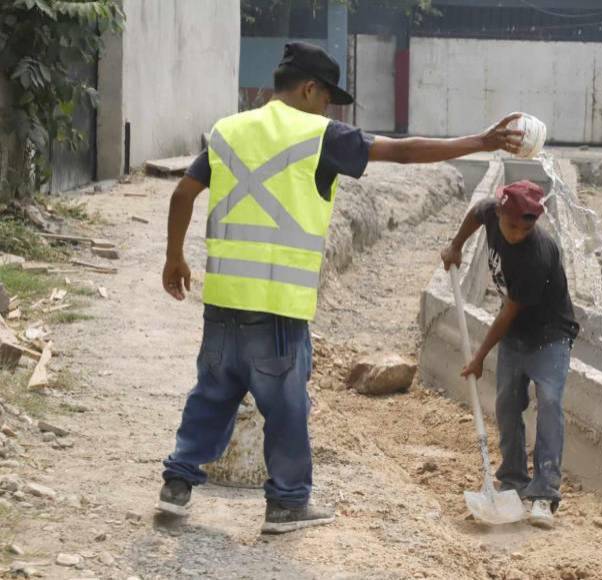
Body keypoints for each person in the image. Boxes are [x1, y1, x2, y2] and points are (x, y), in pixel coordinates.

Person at [157, 41, 524, 533]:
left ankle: (177, 486)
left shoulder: (228, 129)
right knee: (286, 407)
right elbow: (406, 152)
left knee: (212, 392)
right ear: (309, 89)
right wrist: (480, 142)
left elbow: (183, 192)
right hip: (279, 306)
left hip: (222, 300)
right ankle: (287, 504)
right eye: (327, 97)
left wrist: (173, 257)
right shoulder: (319, 135)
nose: (329, 108)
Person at [441, 180, 579, 528]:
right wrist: (455, 246)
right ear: (500, 213)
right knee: (506, 404)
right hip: (517, 335)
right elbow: (476, 213)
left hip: (550, 336)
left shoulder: (538, 254)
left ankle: (545, 495)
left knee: (548, 402)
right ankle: (513, 481)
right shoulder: (491, 211)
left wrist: (479, 357)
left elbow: (508, 312)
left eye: (525, 227)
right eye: (511, 226)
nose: (517, 233)